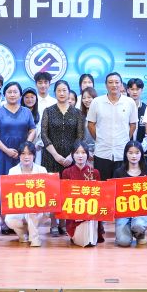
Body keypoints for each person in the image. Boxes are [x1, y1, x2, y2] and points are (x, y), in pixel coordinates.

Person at [41, 80, 85, 236]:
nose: (61, 93)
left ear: (69, 92)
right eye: (59, 90)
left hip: (71, 158)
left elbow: (80, 136)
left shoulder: (77, 113)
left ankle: (64, 223)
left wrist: (71, 156)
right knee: (53, 191)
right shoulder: (48, 111)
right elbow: (44, 135)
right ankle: (53, 224)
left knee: (67, 191)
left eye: (64, 90)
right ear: (55, 93)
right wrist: (56, 155)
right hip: (51, 157)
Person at [86, 72, 138, 181]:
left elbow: (133, 124)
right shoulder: (96, 102)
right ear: (106, 85)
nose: (114, 85)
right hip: (102, 152)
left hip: (122, 152)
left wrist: (125, 138)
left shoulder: (129, 102)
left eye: (117, 82)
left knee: (122, 185)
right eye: (110, 82)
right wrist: (99, 138)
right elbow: (90, 124)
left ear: (121, 85)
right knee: (103, 185)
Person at [0, 82, 36, 178]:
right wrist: (6, 150)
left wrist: (25, 148)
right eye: (9, 92)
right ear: (4, 95)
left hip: (21, 154)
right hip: (0, 153)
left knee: (20, 182)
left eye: (15, 92)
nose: (12, 95)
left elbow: (33, 130)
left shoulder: (27, 112)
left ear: (20, 95)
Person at [4, 142, 49, 247]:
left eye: (29, 154)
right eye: (23, 153)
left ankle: (34, 239)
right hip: (19, 208)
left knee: (31, 210)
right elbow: (9, 193)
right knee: (9, 220)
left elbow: (47, 192)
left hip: (38, 209)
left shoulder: (42, 170)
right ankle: (23, 234)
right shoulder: (13, 171)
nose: (26, 157)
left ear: (34, 155)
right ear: (19, 156)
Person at [61, 141, 104, 247]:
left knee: (90, 238)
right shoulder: (66, 172)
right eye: (77, 152)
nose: (80, 156)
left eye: (83, 152)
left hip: (91, 212)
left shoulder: (94, 172)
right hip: (74, 213)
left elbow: (100, 196)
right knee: (81, 239)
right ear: (72, 155)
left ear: (87, 155)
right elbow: (64, 196)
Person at [112, 141, 147, 247]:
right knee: (123, 242)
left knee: (138, 225)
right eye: (130, 153)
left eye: (137, 153)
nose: (134, 156)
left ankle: (139, 233)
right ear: (126, 154)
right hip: (123, 211)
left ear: (141, 154)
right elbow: (113, 194)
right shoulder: (118, 172)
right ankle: (126, 231)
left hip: (141, 211)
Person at [78, 87, 98, 155]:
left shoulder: (101, 115)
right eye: (84, 98)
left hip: (99, 151)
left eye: (89, 97)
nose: (86, 100)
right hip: (84, 152)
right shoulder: (80, 116)